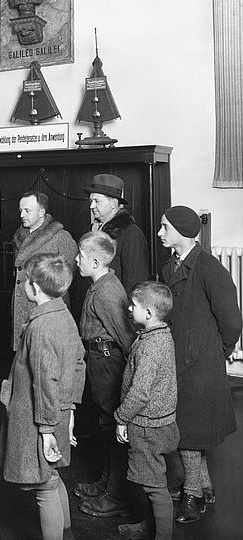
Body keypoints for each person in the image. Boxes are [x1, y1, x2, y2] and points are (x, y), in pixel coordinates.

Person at [158, 206, 241, 524]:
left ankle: (193, 495)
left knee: (190, 430)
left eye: (165, 227)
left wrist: (221, 349)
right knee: (191, 428)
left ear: (181, 230)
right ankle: (203, 486)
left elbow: (232, 321)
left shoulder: (208, 268)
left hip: (200, 362)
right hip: (181, 359)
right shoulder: (171, 267)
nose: (160, 233)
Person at [0, 253, 86, 540]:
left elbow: (45, 382)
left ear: (34, 287)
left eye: (24, 280)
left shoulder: (40, 326)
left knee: (44, 488)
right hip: (58, 411)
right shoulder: (64, 316)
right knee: (53, 477)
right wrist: (69, 411)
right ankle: (67, 533)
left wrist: (47, 431)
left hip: (39, 419)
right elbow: (78, 364)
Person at [73, 232, 137, 518]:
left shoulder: (108, 292)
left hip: (108, 363)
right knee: (105, 425)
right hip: (99, 360)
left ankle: (116, 494)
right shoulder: (99, 285)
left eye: (80, 256)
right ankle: (108, 483)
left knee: (112, 427)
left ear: (95, 261)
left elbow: (127, 339)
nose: (76, 260)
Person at [114, 281, 178, 540]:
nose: (129, 309)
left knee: (155, 488)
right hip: (160, 424)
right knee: (152, 481)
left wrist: (121, 418)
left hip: (147, 426)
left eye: (134, 306)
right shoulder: (160, 335)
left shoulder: (150, 346)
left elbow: (139, 393)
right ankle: (148, 527)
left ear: (149, 313)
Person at [12, 191, 77, 351]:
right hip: (21, 303)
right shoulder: (18, 236)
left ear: (41, 212)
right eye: (20, 210)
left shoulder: (61, 237)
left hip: (47, 309)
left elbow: (68, 276)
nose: (22, 215)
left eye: (27, 210)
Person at [83, 174, 149, 292]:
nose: (91, 206)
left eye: (97, 201)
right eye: (91, 201)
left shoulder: (131, 234)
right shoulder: (90, 230)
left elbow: (135, 283)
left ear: (113, 203)